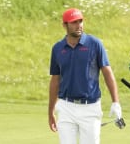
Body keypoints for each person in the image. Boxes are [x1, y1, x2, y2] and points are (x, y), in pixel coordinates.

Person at [48, 8, 121, 144]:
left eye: (80, 21)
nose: (79, 25)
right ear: (65, 25)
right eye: (74, 22)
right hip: (66, 107)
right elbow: (55, 80)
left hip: (90, 108)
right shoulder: (57, 48)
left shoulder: (95, 44)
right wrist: (51, 111)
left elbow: (107, 73)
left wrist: (115, 102)